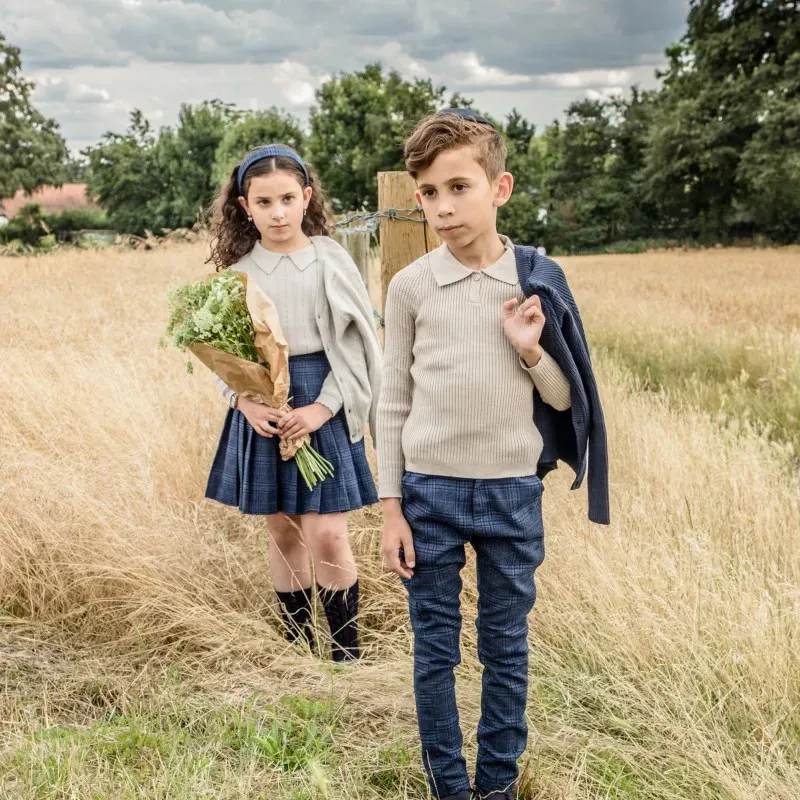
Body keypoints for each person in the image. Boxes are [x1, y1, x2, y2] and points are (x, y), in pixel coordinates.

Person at [377, 109, 609, 799]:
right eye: (428, 193)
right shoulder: (411, 286)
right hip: (428, 496)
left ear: (499, 187)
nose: (442, 207)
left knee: (505, 649)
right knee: (436, 650)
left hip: (511, 491)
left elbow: (569, 402)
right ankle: (449, 787)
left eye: (459, 187)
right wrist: (391, 509)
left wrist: (531, 349)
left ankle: (497, 787)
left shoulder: (537, 280)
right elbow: (391, 403)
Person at [205, 144, 382, 662]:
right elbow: (223, 354)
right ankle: (297, 652)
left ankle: (346, 657)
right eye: (264, 202)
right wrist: (246, 402)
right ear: (244, 205)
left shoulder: (329, 259)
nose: (277, 212)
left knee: (326, 531)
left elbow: (356, 345)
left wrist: (322, 409)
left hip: (324, 398)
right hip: (265, 403)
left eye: (287, 198)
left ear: (306, 197)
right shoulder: (238, 271)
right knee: (283, 530)